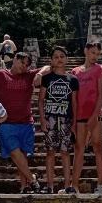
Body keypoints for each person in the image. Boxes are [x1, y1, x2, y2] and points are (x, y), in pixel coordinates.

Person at [0, 52, 43, 193]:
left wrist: (39, 74)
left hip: (26, 122)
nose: (24, 66)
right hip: (5, 122)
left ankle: (24, 186)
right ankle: (33, 180)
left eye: (27, 65)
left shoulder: (29, 75)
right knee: (15, 152)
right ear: (15, 59)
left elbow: (49, 67)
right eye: (22, 62)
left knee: (22, 155)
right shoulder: (0, 75)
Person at [38, 46, 79, 193]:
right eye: (56, 57)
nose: (59, 59)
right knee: (50, 152)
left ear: (66, 59)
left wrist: (74, 123)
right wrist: (42, 119)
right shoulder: (46, 78)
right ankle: (50, 186)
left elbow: (74, 102)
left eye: (62, 56)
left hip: (66, 119)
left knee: (65, 152)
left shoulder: (73, 79)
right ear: (51, 60)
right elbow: (41, 100)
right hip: (50, 118)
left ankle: (67, 186)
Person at [71, 39, 102, 195]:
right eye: (93, 53)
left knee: (98, 147)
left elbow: (101, 94)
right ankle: (74, 185)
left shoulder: (100, 69)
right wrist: (73, 120)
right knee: (79, 148)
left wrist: (95, 115)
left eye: (98, 54)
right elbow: (73, 97)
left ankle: (101, 184)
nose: (95, 56)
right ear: (86, 51)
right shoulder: (75, 72)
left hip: (95, 114)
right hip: (79, 115)